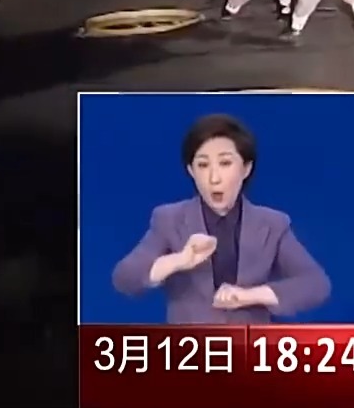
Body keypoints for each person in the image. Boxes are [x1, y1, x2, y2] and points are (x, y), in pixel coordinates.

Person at [110, 114, 330, 324]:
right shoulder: (169, 219)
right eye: (203, 165)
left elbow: (315, 284)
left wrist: (249, 296)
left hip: (250, 346)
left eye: (225, 163)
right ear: (191, 171)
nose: (214, 178)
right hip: (189, 347)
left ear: (246, 168)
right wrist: (179, 260)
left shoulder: (273, 224)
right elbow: (125, 278)